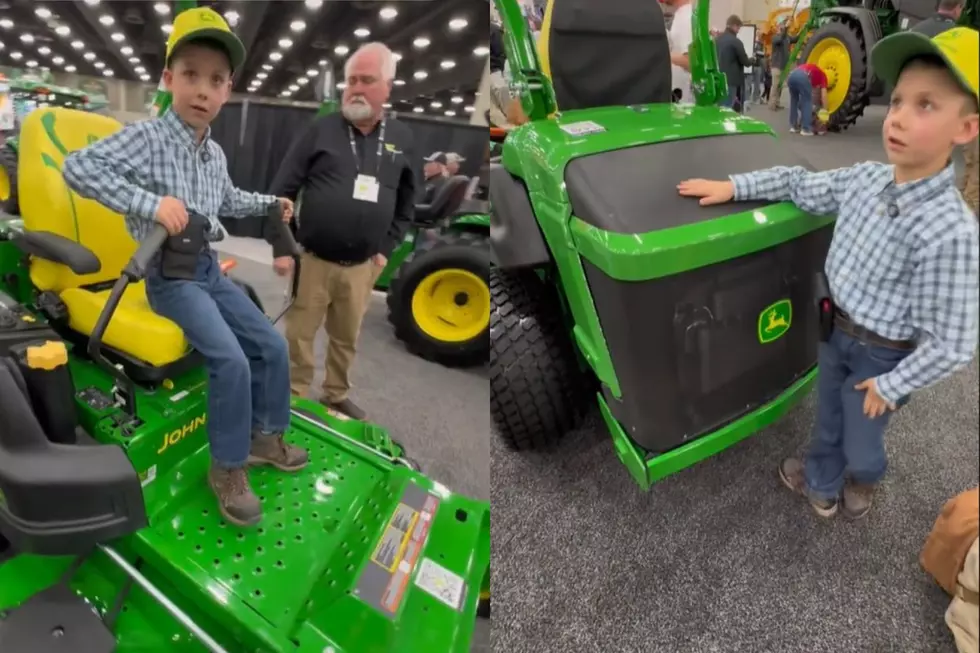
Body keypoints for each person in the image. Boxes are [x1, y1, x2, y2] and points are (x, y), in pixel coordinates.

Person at [676, 27, 980, 521]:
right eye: (898, 100)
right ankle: (821, 479)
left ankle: (865, 475)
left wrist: (893, 383)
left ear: (965, 129)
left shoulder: (952, 231)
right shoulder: (865, 177)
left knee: (863, 435)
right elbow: (799, 185)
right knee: (830, 415)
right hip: (832, 323)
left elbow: (953, 343)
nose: (899, 117)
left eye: (926, 105)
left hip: (883, 355)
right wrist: (734, 186)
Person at [61, 8, 308, 528]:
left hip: (209, 269)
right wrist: (149, 205)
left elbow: (229, 198)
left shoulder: (213, 153)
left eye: (215, 80)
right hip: (169, 278)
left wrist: (269, 203)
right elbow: (78, 167)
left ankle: (265, 436)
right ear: (169, 79)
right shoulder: (149, 138)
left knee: (269, 345)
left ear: (228, 90)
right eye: (191, 75)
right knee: (232, 360)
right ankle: (227, 469)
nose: (203, 90)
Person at [270, 42, 416, 421]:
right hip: (312, 260)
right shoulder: (321, 130)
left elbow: (407, 203)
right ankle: (294, 392)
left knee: (346, 337)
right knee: (299, 333)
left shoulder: (402, 138)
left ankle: (335, 394)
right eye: (350, 81)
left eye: (366, 80)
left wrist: (385, 248)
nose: (355, 89)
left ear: (387, 86)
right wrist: (281, 247)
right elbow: (282, 190)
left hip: (362, 266)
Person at [911, 0, 977, 215]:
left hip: (918, 111)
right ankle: (963, 210)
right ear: (958, 8)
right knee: (970, 164)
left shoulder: (916, 31)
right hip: (947, 112)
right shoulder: (960, 36)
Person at [714, 15, 753, 112]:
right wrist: (753, 60)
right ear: (734, 26)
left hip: (718, 79)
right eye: (738, 27)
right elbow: (745, 62)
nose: (738, 30)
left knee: (719, 107)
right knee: (727, 108)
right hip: (731, 80)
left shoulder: (717, 40)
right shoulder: (736, 42)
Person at [786, 62, 829, 135]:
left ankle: (793, 126)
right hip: (803, 76)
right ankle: (806, 129)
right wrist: (825, 111)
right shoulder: (823, 76)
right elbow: (824, 96)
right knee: (807, 101)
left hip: (791, 75)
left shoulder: (815, 72)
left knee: (794, 101)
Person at [666, 0, 694, 102]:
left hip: (682, 100)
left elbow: (690, 61)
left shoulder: (686, 18)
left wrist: (661, 54)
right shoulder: (681, 16)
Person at [769, 18, 799, 110]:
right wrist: (786, 28)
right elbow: (780, 39)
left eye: (784, 24)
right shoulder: (775, 37)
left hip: (784, 66)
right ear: (778, 26)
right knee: (775, 85)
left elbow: (795, 39)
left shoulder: (787, 37)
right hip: (777, 66)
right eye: (782, 24)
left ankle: (777, 102)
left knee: (780, 86)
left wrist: (803, 30)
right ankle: (772, 104)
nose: (783, 25)